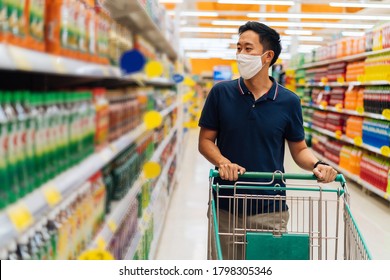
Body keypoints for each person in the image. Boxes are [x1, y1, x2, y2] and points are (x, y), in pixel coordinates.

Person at [198, 21, 338, 260]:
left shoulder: (289, 101)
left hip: (270, 209)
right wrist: (223, 162)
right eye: (238, 48)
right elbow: (205, 141)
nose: (240, 54)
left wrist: (317, 165)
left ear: (267, 56)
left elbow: (299, 149)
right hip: (225, 204)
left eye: (248, 49)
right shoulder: (221, 93)